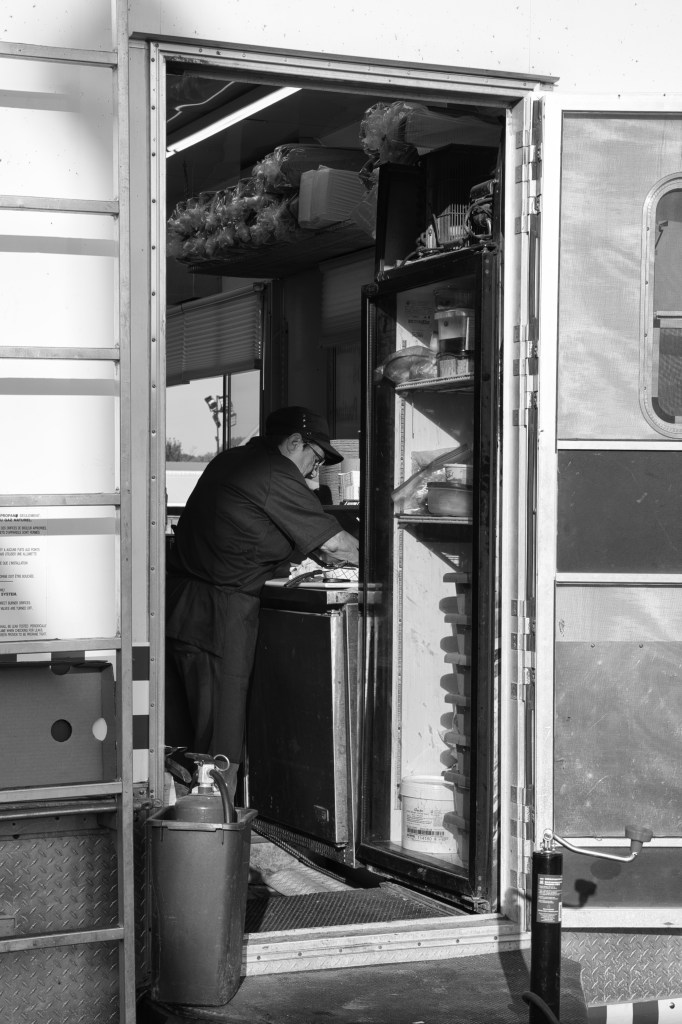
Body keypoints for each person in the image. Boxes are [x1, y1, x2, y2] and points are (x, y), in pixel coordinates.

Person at [165, 406, 359, 797]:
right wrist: (394, 566)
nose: (312, 473)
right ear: (293, 442)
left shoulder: (233, 460)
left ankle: (186, 824)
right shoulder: (273, 473)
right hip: (219, 617)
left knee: (185, 740)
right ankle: (212, 839)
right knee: (220, 743)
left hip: (184, 609)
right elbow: (337, 544)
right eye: (314, 459)